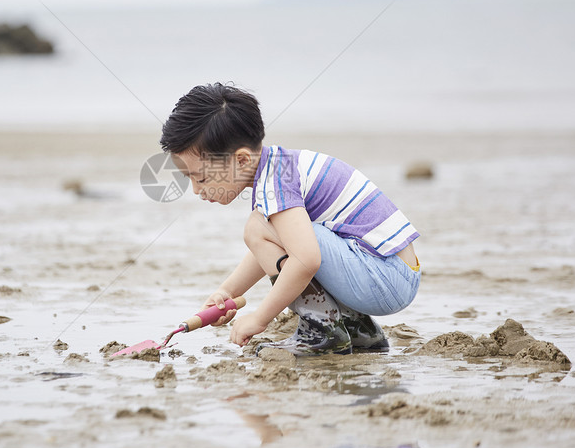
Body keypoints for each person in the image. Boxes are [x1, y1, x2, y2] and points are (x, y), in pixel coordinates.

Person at [160, 82, 421, 355]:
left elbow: (306, 259)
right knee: (269, 230)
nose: (197, 190)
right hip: (390, 274)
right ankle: (359, 331)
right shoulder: (280, 167)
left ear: (241, 160)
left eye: (201, 178)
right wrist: (226, 292)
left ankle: (321, 330)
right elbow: (277, 245)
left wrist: (260, 318)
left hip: (383, 279)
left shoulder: (276, 183)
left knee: (260, 229)